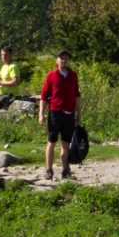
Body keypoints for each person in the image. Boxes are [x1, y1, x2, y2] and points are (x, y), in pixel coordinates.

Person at [37, 52, 81, 182]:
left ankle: (65, 170)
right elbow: (44, 96)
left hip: (69, 113)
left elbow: (77, 94)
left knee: (66, 143)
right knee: (51, 141)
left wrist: (79, 112)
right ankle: (49, 170)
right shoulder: (51, 75)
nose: (63, 61)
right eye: (61, 58)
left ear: (68, 60)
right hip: (55, 113)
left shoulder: (73, 75)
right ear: (56, 60)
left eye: (66, 58)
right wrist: (41, 114)